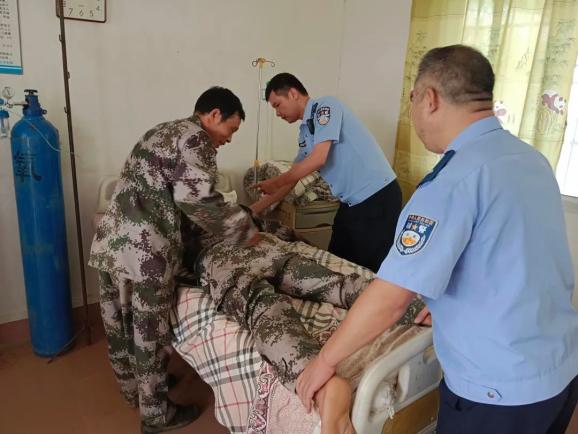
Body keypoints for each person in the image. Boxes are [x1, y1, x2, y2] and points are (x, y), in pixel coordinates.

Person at [295, 45, 578, 434]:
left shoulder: (451, 183)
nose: (412, 112)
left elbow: (390, 300)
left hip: (497, 393)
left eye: (411, 99)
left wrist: (324, 362)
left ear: (429, 99)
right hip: (560, 370)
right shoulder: (530, 159)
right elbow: (512, 255)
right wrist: (445, 302)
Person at [89, 87, 260, 433]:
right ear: (213, 115)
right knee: (149, 332)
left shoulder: (160, 131)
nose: (228, 139)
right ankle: (156, 415)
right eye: (231, 129)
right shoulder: (197, 139)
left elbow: (165, 194)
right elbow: (197, 201)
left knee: (119, 323)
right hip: (146, 253)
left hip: (111, 242)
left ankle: (133, 391)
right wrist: (246, 231)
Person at [190, 221, 425, 434]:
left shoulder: (183, 219)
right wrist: (300, 244)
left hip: (218, 258)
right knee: (335, 284)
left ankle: (325, 390)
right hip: (265, 248)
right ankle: (418, 308)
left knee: (263, 309)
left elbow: (169, 263)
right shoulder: (236, 210)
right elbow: (275, 228)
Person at [253, 73, 401, 272]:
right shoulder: (305, 133)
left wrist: (276, 181)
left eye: (277, 105)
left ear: (293, 94)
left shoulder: (326, 106)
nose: (278, 113)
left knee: (368, 271)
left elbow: (318, 158)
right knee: (336, 265)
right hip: (351, 203)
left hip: (376, 196)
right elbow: (293, 177)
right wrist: (252, 210)